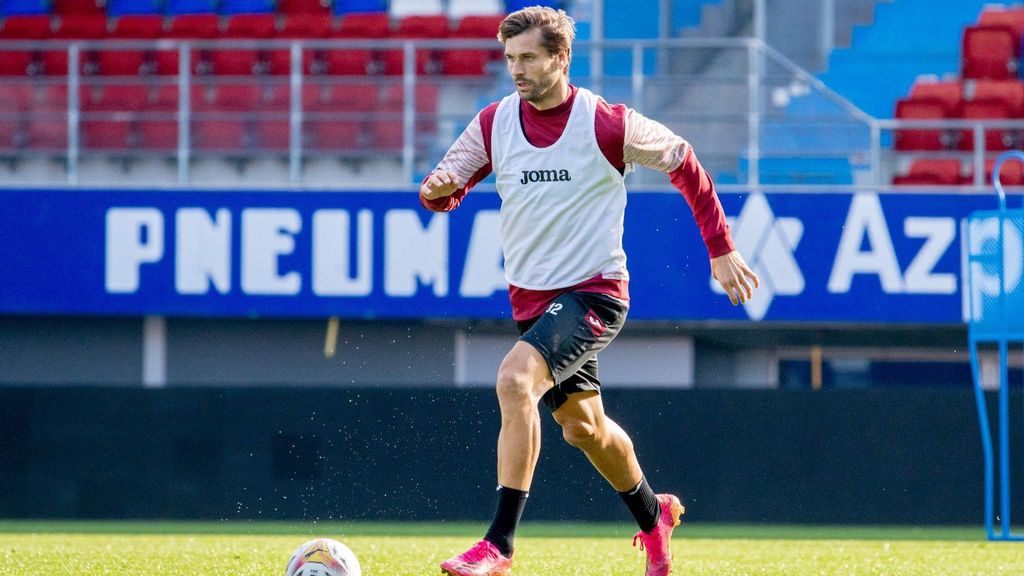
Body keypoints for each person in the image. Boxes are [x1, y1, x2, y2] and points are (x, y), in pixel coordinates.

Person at [420, 6, 759, 576]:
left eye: (529, 58)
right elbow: (443, 189)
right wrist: (437, 190)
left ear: (561, 58)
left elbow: (684, 161)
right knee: (584, 429)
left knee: (514, 379)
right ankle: (655, 515)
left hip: (595, 294)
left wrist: (721, 248)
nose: (517, 69)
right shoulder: (493, 123)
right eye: (510, 58)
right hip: (534, 303)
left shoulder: (606, 124)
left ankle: (498, 544)